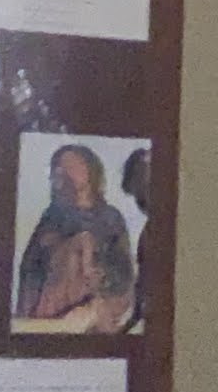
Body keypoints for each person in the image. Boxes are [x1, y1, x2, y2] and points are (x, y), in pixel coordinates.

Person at [9, 141, 139, 333]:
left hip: (99, 303)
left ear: (90, 169)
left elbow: (123, 268)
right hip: (57, 303)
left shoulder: (111, 217)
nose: (67, 172)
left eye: (73, 166)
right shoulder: (53, 215)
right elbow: (35, 265)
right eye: (61, 168)